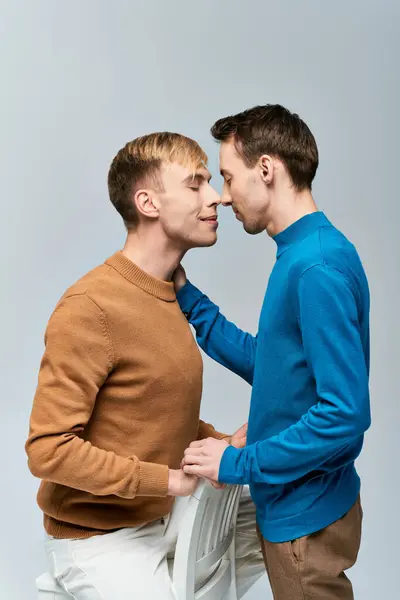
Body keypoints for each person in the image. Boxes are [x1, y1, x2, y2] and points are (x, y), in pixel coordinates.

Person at [26, 133, 264, 599]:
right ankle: (69, 580)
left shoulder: (167, 294)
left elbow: (147, 411)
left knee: (286, 497)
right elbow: (47, 449)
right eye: (196, 184)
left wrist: (221, 444)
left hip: (163, 517)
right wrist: (167, 479)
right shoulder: (91, 306)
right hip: (101, 538)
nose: (216, 196)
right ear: (148, 202)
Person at [175, 104, 370, 600]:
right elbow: (278, 366)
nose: (222, 196)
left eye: (227, 177)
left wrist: (236, 464)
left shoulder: (315, 268)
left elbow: (343, 416)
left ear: (266, 169)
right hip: (304, 503)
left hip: (305, 517)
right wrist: (189, 299)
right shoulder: (303, 253)